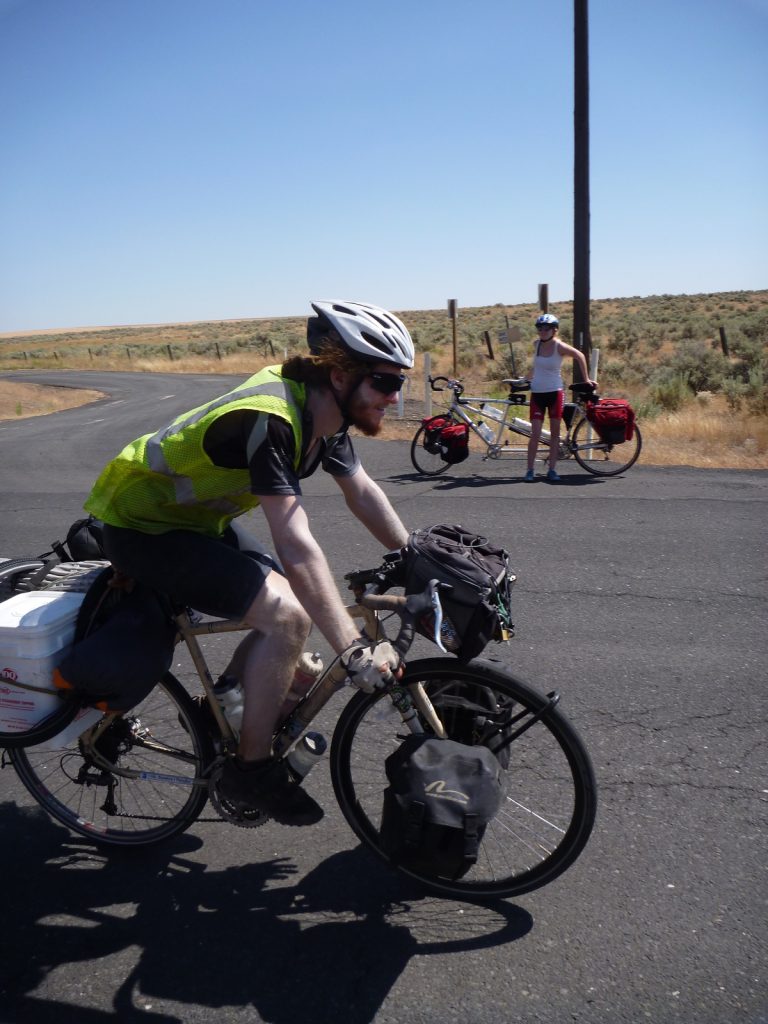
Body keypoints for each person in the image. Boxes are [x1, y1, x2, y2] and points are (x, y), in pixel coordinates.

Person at [83, 300, 413, 826]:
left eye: (401, 386)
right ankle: (251, 769)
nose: (394, 400)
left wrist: (412, 556)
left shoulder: (324, 414)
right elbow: (295, 541)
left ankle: (223, 713)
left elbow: (362, 491)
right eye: (384, 384)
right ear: (340, 375)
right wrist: (351, 649)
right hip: (142, 525)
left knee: (290, 605)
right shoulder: (274, 419)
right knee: (288, 615)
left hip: (192, 523)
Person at [524, 313, 596, 482]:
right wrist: (523, 379)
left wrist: (585, 379)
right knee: (534, 434)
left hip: (555, 392)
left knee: (555, 434)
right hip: (537, 393)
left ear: (554, 330)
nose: (542, 331)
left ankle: (552, 469)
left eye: (546, 328)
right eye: (539, 328)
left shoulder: (559, 347)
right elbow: (536, 367)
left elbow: (580, 356)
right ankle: (529, 470)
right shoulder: (536, 345)